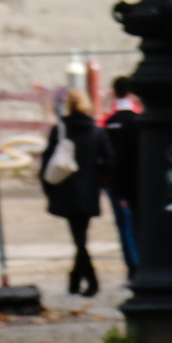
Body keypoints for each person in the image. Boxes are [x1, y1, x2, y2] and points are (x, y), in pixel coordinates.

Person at [40, 89, 114, 297]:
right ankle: (78, 279)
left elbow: (47, 163)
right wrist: (98, 178)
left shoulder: (60, 131)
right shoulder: (98, 132)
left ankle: (88, 280)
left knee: (78, 237)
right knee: (81, 236)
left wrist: (48, 189)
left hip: (66, 189)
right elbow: (110, 162)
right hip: (89, 190)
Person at [103, 78, 143, 272]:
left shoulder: (110, 123)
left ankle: (132, 268)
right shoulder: (139, 122)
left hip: (116, 183)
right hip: (138, 181)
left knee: (124, 227)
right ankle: (142, 265)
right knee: (139, 225)